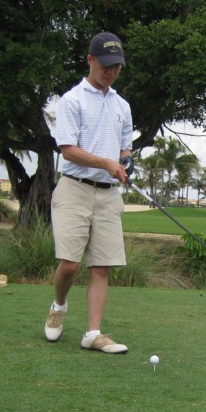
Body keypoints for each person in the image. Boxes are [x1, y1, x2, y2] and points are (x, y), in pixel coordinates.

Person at [44, 32, 135, 354]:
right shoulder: (72, 101)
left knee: (101, 266)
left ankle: (92, 334)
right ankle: (59, 306)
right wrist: (106, 163)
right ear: (90, 60)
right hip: (74, 190)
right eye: (106, 65)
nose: (111, 72)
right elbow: (68, 150)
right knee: (69, 264)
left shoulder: (122, 105)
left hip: (109, 195)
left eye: (117, 67)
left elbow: (126, 144)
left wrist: (125, 160)